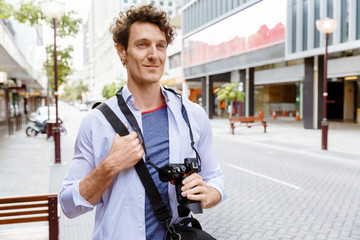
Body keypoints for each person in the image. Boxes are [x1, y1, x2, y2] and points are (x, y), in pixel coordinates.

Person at [59, 4, 225, 240]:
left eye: (160, 46)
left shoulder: (193, 114)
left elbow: (215, 178)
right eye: (142, 44)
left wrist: (208, 193)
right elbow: (68, 205)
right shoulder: (95, 122)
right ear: (122, 51)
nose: (154, 55)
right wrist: (110, 166)